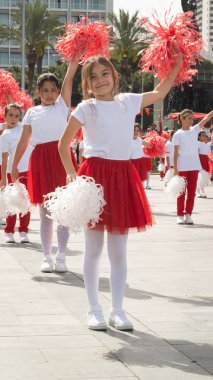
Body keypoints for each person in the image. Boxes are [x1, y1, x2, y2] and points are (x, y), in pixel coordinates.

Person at [58, 53, 183, 331]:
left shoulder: (128, 101)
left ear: (115, 76)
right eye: (93, 76)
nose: (100, 79)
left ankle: (117, 310)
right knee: (93, 249)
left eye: (105, 73)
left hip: (122, 176)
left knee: (119, 252)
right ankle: (93, 309)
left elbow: (161, 91)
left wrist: (174, 63)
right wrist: (72, 174)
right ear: (87, 83)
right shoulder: (86, 108)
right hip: (94, 179)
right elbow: (63, 144)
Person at [11, 58, 78, 273]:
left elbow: (69, 79)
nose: (50, 94)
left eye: (53, 90)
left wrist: (74, 61)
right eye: (45, 90)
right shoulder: (31, 113)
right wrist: (14, 165)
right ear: (38, 92)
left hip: (62, 158)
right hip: (40, 161)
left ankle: (62, 256)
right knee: (45, 212)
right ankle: (47, 256)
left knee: (63, 210)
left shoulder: (62, 106)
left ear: (58, 92)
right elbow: (23, 141)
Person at [0, 103, 33, 244]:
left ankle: (24, 230)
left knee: (26, 202)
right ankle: (9, 231)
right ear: (5, 117)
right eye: (10, 115)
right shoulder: (5, 135)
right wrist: (3, 179)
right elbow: (3, 159)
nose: (14, 118)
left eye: (17, 116)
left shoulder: (23, 128)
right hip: (13, 172)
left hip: (28, 170)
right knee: (12, 201)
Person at [173, 109, 213, 225]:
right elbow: (175, 153)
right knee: (181, 192)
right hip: (182, 166)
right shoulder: (177, 134)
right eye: (189, 118)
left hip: (194, 166)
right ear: (182, 119)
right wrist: (175, 168)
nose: (191, 121)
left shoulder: (195, 130)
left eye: (192, 118)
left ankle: (188, 214)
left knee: (191, 192)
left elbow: (207, 118)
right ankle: (180, 215)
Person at [197, 130, 211, 198]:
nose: (205, 137)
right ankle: (198, 191)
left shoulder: (207, 145)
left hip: (205, 160)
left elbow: (207, 154)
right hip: (199, 160)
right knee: (199, 176)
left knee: (204, 176)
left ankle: (202, 190)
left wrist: (210, 161)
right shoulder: (197, 143)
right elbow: (196, 153)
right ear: (199, 137)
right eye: (203, 136)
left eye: (205, 136)